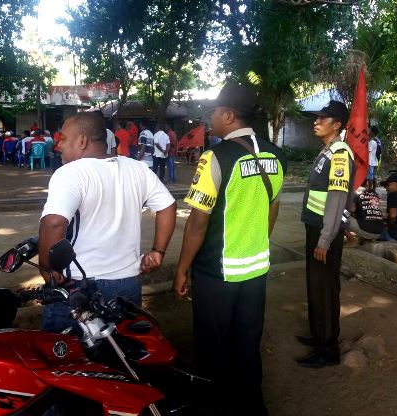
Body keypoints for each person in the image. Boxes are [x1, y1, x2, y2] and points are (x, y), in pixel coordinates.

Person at [173, 84, 285, 416]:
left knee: (212, 348)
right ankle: (253, 406)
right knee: (247, 344)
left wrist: (181, 269)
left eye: (214, 111)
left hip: (216, 273)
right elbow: (273, 208)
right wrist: (256, 242)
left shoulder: (215, 157)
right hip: (255, 270)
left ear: (229, 115)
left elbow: (197, 223)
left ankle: (215, 405)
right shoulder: (276, 156)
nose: (210, 118)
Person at [38, 112, 176, 333]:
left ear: (82, 141)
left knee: (65, 361)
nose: (57, 145)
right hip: (127, 285)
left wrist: (47, 271)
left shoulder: (70, 173)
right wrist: (158, 251)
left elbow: (54, 222)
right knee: (120, 356)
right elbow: (168, 206)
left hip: (79, 287)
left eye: (63, 138)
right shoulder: (137, 168)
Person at [297, 100, 354, 368]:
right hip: (318, 227)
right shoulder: (328, 150)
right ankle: (319, 335)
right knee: (316, 285)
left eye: (324, 118)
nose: (316, 122)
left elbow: (337, 197)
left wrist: (326, 238)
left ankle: (328, 350)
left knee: (325, 289)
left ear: (338, 124)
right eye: (316, 118)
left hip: (324, 232)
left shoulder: (340, 153)